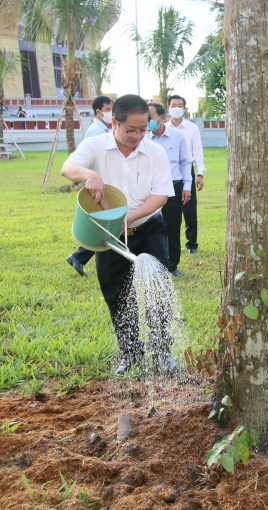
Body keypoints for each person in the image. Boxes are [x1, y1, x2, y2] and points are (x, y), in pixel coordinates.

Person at [60, 94, 177, 376]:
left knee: (157, 290)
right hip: (109, 236)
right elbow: (67, 168)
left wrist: (130, 217)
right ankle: (131, 354)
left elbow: (161, 195)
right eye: (131, 130)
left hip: (148, 228)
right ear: (115, 122)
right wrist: (90, 175)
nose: (138, 136)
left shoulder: (155, 152)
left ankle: (162, 354)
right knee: (117, 294)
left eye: (143, 129)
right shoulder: (95, 145)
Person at [66, 95, 114, 277]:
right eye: (108, 109)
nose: (111, 112)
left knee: (102, 225)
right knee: (104, 226)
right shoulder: (97, 132)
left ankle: (78, 256)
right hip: (99, 184)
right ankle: (78, 256)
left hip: (100, 183)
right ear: (99, 111)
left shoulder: (101, 129)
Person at [147, 102, 192, 277]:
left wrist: (187, 187)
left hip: (173, 188)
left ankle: (172, 265)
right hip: (151, 190)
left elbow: (185, 162)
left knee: (173, 228)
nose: (148, 121)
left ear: (161, 118)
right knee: (151, 227)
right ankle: (156, 265)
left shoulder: (177, 136)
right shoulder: (143, 139)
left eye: (150, 117)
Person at [166, 95, 205, 255]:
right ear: (168, 108)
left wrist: (200, 173)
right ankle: (170, 243)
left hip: (187, 170)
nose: (176, 108)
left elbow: (198, 151)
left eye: (179, 105)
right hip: (169, 173)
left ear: (185, 109)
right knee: (169, 210)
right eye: (173, 105)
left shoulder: (192, 128)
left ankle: (192, 244)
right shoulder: (163, 128)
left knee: (189, 209)